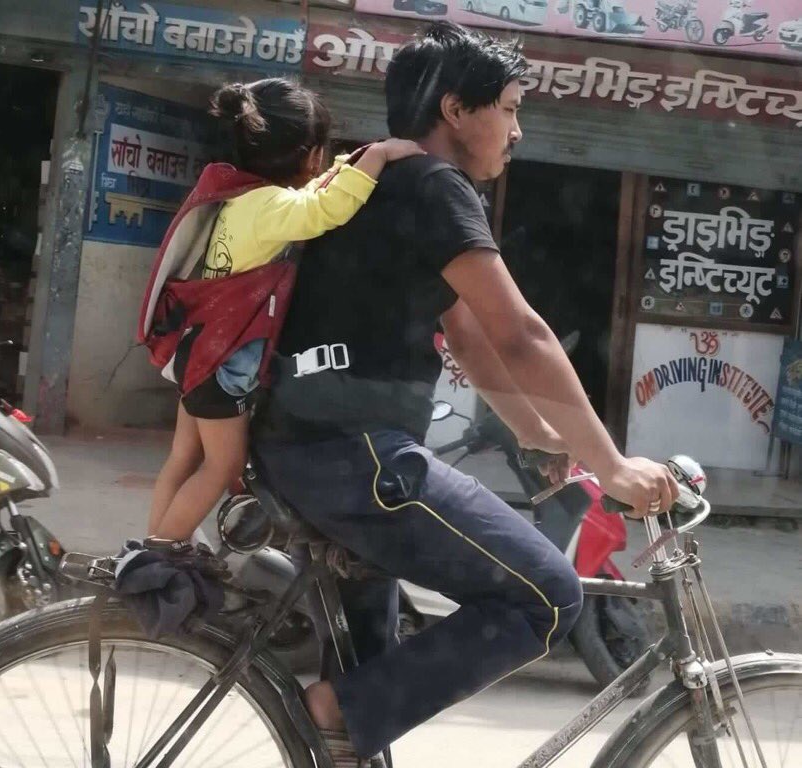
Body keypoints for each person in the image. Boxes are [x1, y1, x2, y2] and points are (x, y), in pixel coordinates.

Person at [252, 22, 679, 767]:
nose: (518, 130)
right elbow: (522, 335)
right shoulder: (433, 184)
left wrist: (537, 432)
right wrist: (611, 465)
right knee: (545, 594)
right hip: (357, 458)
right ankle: (328, 712)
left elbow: (472, 340)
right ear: (455, 109)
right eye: (509, 109)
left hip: (307, 451)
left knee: (366, 696)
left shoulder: (376, 176)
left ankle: (339, 721)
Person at [145, 78, 423, 548]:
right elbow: (324, 210)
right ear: (311, 154)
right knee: (223, 468)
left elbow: (312, 194)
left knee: (184, 457)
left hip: (200, 350)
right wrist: (375, 157)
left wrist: (347, 164)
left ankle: (148, 546)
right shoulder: (272, 207)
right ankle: (159, 556)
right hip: (222, 365)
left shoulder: (243, 198)